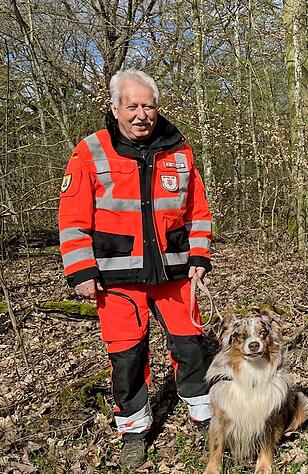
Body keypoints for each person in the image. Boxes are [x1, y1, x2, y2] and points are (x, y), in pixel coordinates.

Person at [58, 69, 213, 468]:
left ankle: (203, 412)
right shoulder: (90, 151)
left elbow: (197, 211)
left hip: (175, 274)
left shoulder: (179, 149)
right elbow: (72, 218)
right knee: (126, 356)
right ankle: (133, 428)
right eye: (132, 106)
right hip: (115, 278)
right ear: (115, 108)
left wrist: (199, 257)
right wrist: (81, 271)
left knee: (190, 345)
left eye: (148, 105)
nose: (141, 114)